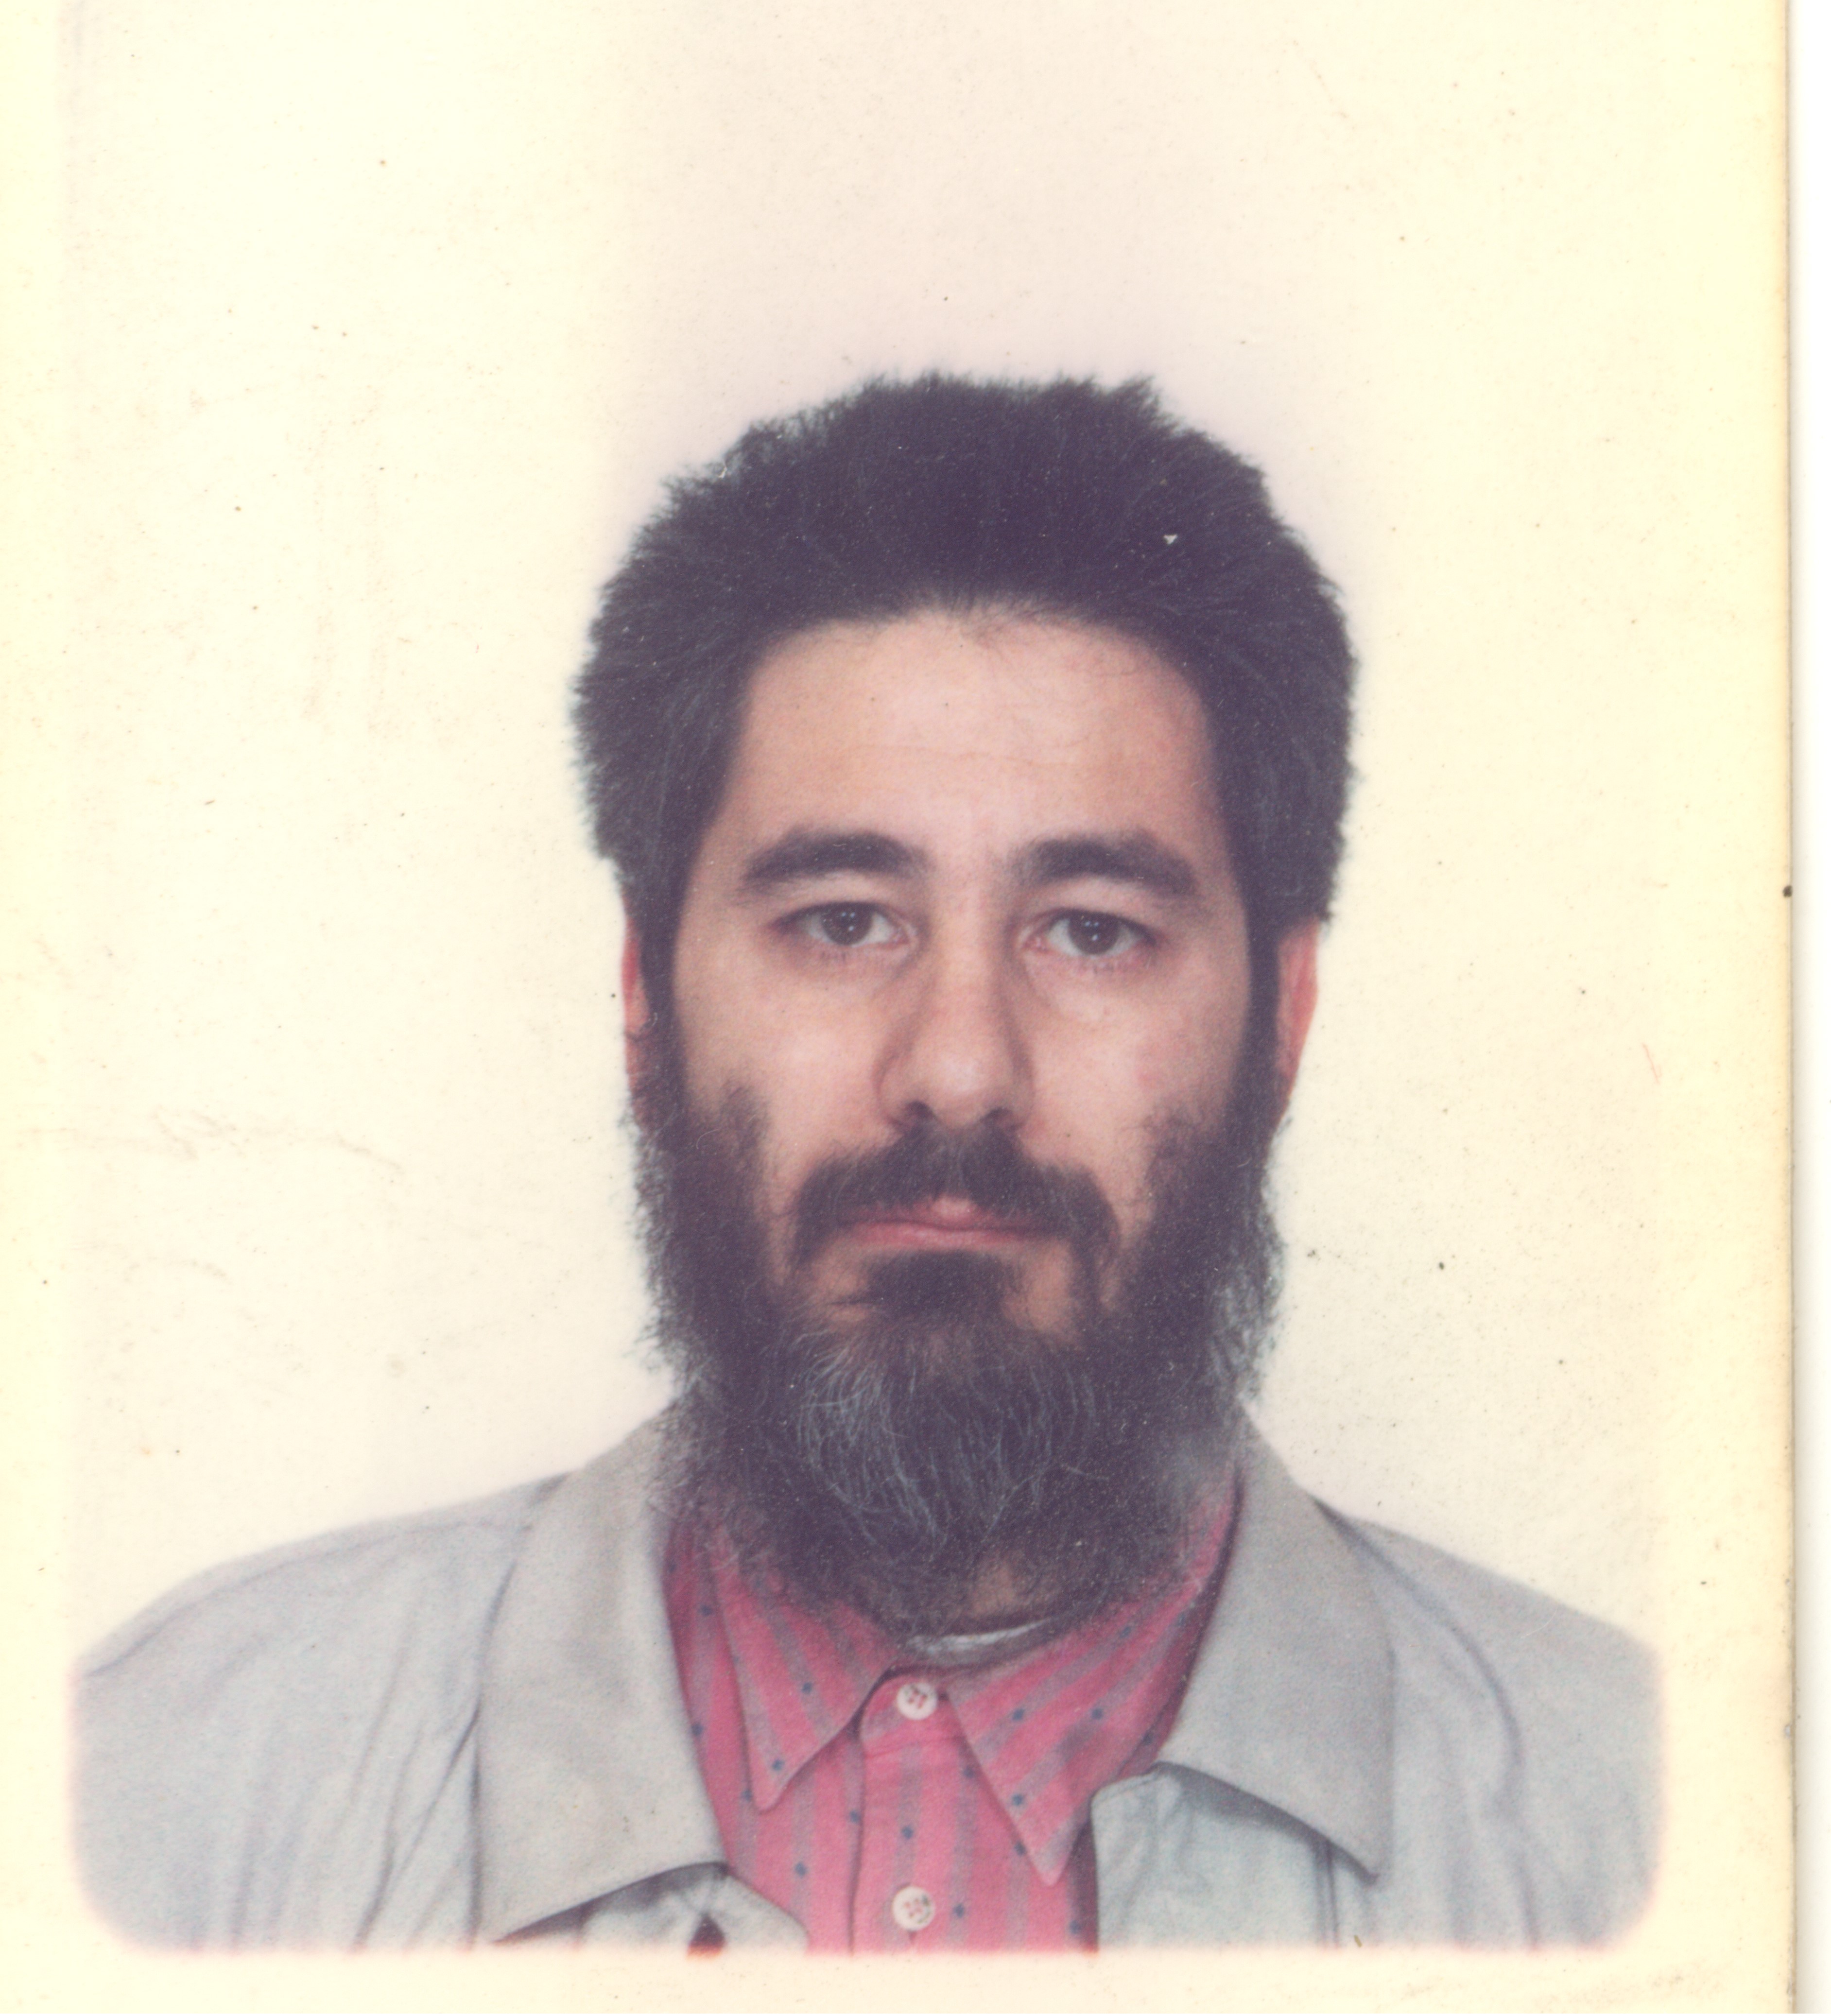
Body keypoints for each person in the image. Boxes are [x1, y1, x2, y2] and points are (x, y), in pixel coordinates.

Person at [75, 375, 1658, 1951]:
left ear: (1284, 1017)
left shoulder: (1639, 1831)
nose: (958, 1069)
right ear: (644, 1000)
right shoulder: (170, 1790)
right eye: (842, 923)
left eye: (1092, 932)